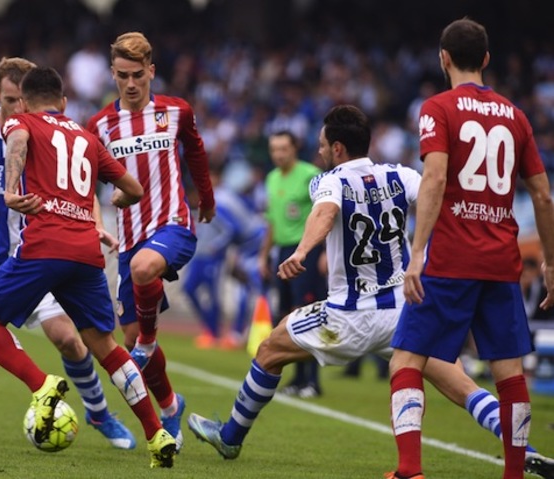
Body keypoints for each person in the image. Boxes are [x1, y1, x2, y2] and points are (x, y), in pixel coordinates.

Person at [187, 105, 554, 479]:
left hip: (348, 314)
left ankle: (230, 436)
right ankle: (525, 450)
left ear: (339, 149)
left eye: (323, 146)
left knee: (268, 351)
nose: (319, 153)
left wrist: (301, 250)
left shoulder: (328, 181)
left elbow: (325, 213)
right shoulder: (402, 174)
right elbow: (437, 197)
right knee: (461, 385)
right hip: (403, 312)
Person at [0, 57, 136, 449]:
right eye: (9, 100)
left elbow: (78, 187)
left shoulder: (45, 131)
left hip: (36, 256)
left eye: (23, 99)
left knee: (70, 340)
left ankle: (101, 414)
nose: (18, 108)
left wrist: (96, 223)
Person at [0, 66, 177, 468]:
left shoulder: (22, 121)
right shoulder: (87, 137)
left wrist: (12, 191)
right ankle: (157, 434)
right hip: (86, 253)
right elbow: (132, 189)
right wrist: (115, 203)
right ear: (63, 102)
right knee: (108, 348)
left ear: (24, 101)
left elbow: (17, 142)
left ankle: (41, 384)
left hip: (44, 245)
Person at [388, 18, 554, 479]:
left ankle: (409, 471)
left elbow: (436, 177)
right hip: (501, 259)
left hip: (451, 256)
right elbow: (542, 194)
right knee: (509, 373)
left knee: (406, 360)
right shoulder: (517, 116)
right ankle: (515, 474)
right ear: (485, 59)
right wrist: (553, 263)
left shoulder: (437, 108)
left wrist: (416, 253)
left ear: (443, 59)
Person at [86, 31, 216, 451]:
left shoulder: (176, 112)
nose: (129, 83)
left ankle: (148, 341)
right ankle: (171, 406)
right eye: (122, 75)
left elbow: (195, 152)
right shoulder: (100, 125)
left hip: (173, 224)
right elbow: (90, 181)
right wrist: (101, 209)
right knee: (127, 337)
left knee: (142, 313)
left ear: (151, 72)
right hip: (128, 238)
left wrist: (206, 199)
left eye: (137, 75)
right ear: (112, 73)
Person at [258, 130, 325, 398]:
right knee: (285, 316)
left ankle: (313, 381)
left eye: (283, 148)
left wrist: (324, 251)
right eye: (274, 149)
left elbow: (325, 213)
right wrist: (265, 255)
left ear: (294, 149)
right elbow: (272, 221)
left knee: (305, 314)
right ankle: (298, 379)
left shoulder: (310, 175)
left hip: (306, 250)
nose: (278, 154)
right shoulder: (272, 178)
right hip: (282, 252)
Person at [183, 164, 266, 349]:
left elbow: (232, 228)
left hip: (251, 244)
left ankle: (235, 333)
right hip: (251, 240)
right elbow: (250, 211)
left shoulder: (218, 199)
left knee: (246, 289)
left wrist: (217, 247)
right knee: (247, 288)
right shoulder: (227, 195)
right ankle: (228, 332)